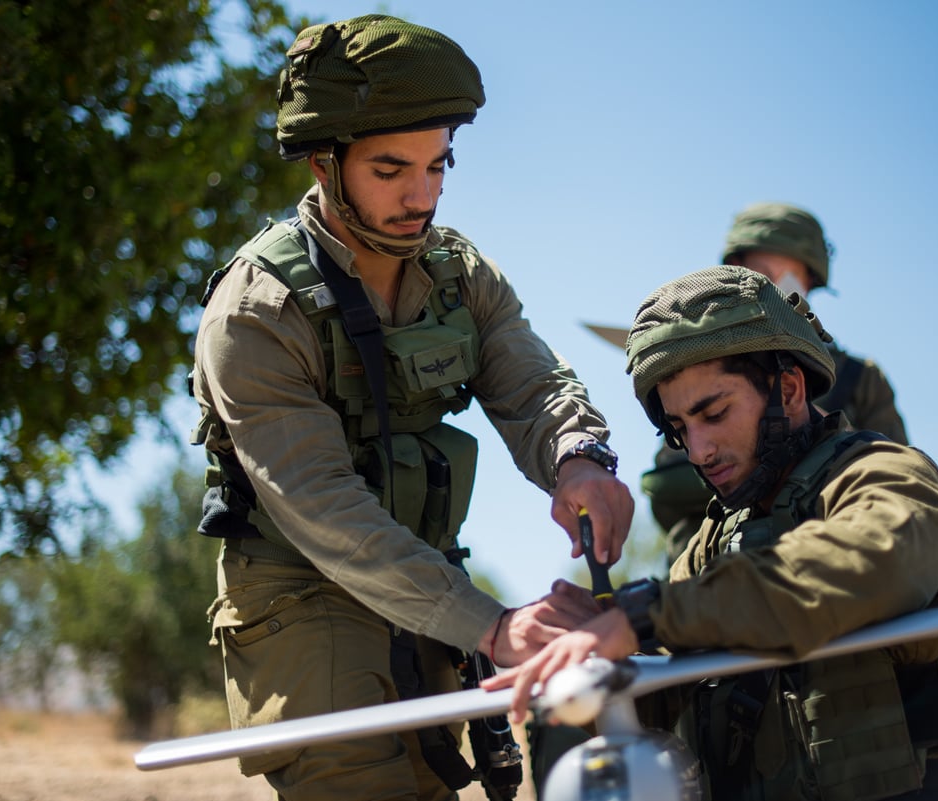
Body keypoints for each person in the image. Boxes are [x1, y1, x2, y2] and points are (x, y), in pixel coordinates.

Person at [189, 15, 632, 801]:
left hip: (428, 588)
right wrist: (491, 627)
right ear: (325, 166)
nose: (421, 195)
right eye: (392, 169)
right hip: (304, 596)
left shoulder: (458, 273)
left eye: (438, 165)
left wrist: (580, 459)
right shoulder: (256, 313)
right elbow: (323, 508)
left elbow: (532, 384)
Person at [488, 266, 938, 801]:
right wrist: (597, 662)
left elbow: (860, 567)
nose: (699, 450)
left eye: (715, 413)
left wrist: (645, 615)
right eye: (681, 429)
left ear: (790, 390)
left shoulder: (887, 476)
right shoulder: (716, 538)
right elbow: (672, 699)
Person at [643, 202, 908, 565]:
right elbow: (667, 489)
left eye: (792, 282)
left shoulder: (859, 378)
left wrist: (806, 438)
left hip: (826, 556)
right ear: (734, 271)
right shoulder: (701, 369)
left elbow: (893, 482)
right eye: (763, 276)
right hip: (716, 565)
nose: (778, 293)